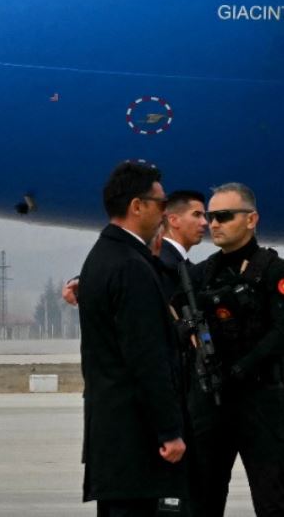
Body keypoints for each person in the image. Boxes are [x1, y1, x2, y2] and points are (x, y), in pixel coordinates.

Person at [78, 160, 187, 517]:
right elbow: (147, 356)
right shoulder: (130, 266)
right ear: (136, 206)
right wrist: (169, 430)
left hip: (111, 434)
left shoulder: (100, 258)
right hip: (136, 438)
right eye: (161, 204)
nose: (165, 214)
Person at [191, 183, 284, 517]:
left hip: (259, 401)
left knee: (272, 502)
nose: (214, 224)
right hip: (213, 402)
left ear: (252, 219)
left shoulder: (274, 271)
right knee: (201, 500)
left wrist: (243, 367)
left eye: (224, 216)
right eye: (211, 217)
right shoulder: (202, 274)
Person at [159, 190, 208, 272]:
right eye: (196, 214)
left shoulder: (181, 264)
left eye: (204, 216)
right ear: (174, 220)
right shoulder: (164, 264)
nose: (205, 222)